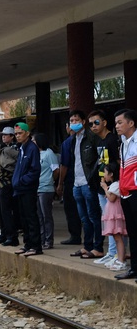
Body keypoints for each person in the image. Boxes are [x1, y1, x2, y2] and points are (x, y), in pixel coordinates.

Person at [67, 110, 104, 259]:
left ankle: (98, 247)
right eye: (71, 121)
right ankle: (87, 246)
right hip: (77, 183)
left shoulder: (92, 137)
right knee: (83, 218)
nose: (73, 123)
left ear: (83, 121)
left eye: (76, 120)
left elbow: (101, 158)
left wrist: (93, 178)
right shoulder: (74, 140)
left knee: (94, 216)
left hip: (88, 183)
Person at [89, 109, 121, 265]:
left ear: (104, 123)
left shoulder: (112, 140)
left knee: (114, 222)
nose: (93, 126)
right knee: (107, 221)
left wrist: (116, 184)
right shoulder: (99, 141)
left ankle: (115, 254)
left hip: (112, 188)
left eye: (96, 122)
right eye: (90, 124)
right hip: (102, 186)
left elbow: (118, 162)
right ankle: (112, 252)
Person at [12, 123, 42, 256]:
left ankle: (36, 246)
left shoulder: (32, 148)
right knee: (23, 218)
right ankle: (27, 244)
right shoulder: (21, 148)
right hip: (19, 189)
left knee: (31, 217)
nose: (17, 136)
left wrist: (21, 181)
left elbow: (35, 170)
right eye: (16, 134)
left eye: (20, 133)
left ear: (27, 133)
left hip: (28, 188)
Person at [114, 109, 137, 280]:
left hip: (135, 192)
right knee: (132, 232)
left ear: (131, 123)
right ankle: (134, 269)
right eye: (116, 123)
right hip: (126, 194)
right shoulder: (123, 143)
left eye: (120, 122)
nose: (117, 126)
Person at [0, 127, 19, 247]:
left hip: (7, 183)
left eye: (6, 135)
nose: (3, 137)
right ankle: (4, 234)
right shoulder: (0, 151)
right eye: (2, 135)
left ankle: (11, 236)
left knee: (7, 211)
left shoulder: (12, 150)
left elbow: (18, 163)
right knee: (1, 211)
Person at [56, 122, 83, 245]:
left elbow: (64, 165)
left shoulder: (67, 143)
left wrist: (60, 183)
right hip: (82, 180)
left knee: (72, 209)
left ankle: (75, 236)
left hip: (72, 180)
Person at [100, 162, 128, 271]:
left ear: (111, 174)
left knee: (118, 236)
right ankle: (119, 258)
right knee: (116, 237)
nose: (104, 175)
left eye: (105, 173)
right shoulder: (114, 185)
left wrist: (105, 188)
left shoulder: (116, 184)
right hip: (112, 212)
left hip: (115, 213)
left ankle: (121, 260)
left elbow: (111, 198)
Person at [33, 133, 58, 250]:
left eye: (33, 140)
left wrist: (50, 180)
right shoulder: (35, 154)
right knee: (39, 216)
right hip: (36, 188)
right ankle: (42, 239)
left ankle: (49, 240)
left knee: (46, 215)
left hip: (46, 188)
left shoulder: (49, 153)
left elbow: (56, 170)